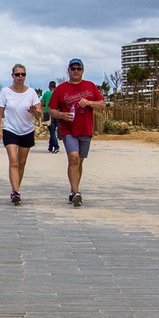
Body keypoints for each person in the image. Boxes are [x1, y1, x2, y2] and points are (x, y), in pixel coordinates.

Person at [50, 57, 104, 206]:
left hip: (85, 129)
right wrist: (61, 115)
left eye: (78, 69)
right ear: (68, 71)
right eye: (73, 69)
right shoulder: (61, 89)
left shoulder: (90, 86)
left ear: (82, 70)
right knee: (73, 158)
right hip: (68, 129)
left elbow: (102, 104)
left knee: (79, 161)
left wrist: (90, 103)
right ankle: (75, 192)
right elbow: (51, 110)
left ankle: (75, 189)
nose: (75, 71)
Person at [0, 63, 43, 204]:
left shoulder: (31, 92)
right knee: (13, 162)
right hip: (10, 130)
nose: (20, 77)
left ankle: (16, 188)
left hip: (27, 130)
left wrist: (35, 111)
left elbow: (40, 114)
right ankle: (15, 192)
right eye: (17, 74)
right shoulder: (5, 92)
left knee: (21, 163)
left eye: (23, 74)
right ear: (12, 76)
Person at [42, 80, 59, 153]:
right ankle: (50, 146)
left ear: (49, 87)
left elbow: (42, 103)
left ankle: (56, 146)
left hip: (49, 114)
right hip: (57, 113)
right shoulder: (58, 93)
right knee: (53, 130)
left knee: (52, 131)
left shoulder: (46, 94)